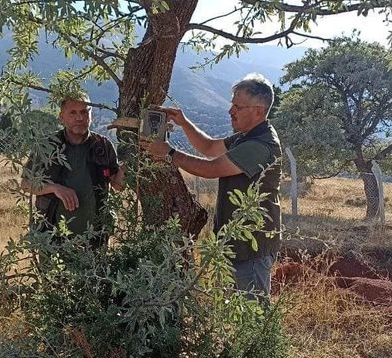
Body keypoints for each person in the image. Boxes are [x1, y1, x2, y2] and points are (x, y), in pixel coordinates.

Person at [143, 73, 282, 298]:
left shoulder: (259, 144)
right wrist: (184, 122)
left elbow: (211, 169)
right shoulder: (244, 137)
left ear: (258, 110)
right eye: (232, 105)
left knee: (251, 314)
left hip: (251, 247)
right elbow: (208, 147)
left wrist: (167, 153)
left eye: (238, 106)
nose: (231, 111)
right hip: (235, 245)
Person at [21, 93, 124, 255]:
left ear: (91, 116)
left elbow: (118, 186)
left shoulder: (102, 146)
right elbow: (26, 184)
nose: (79, 118)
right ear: (61, 117)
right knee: (55, 281)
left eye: (84, 112)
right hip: (53, 238)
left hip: (94, 239)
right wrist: (55, 188)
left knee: (93, 280)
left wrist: (128, 165)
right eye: (73, 113)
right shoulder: (47, 146)